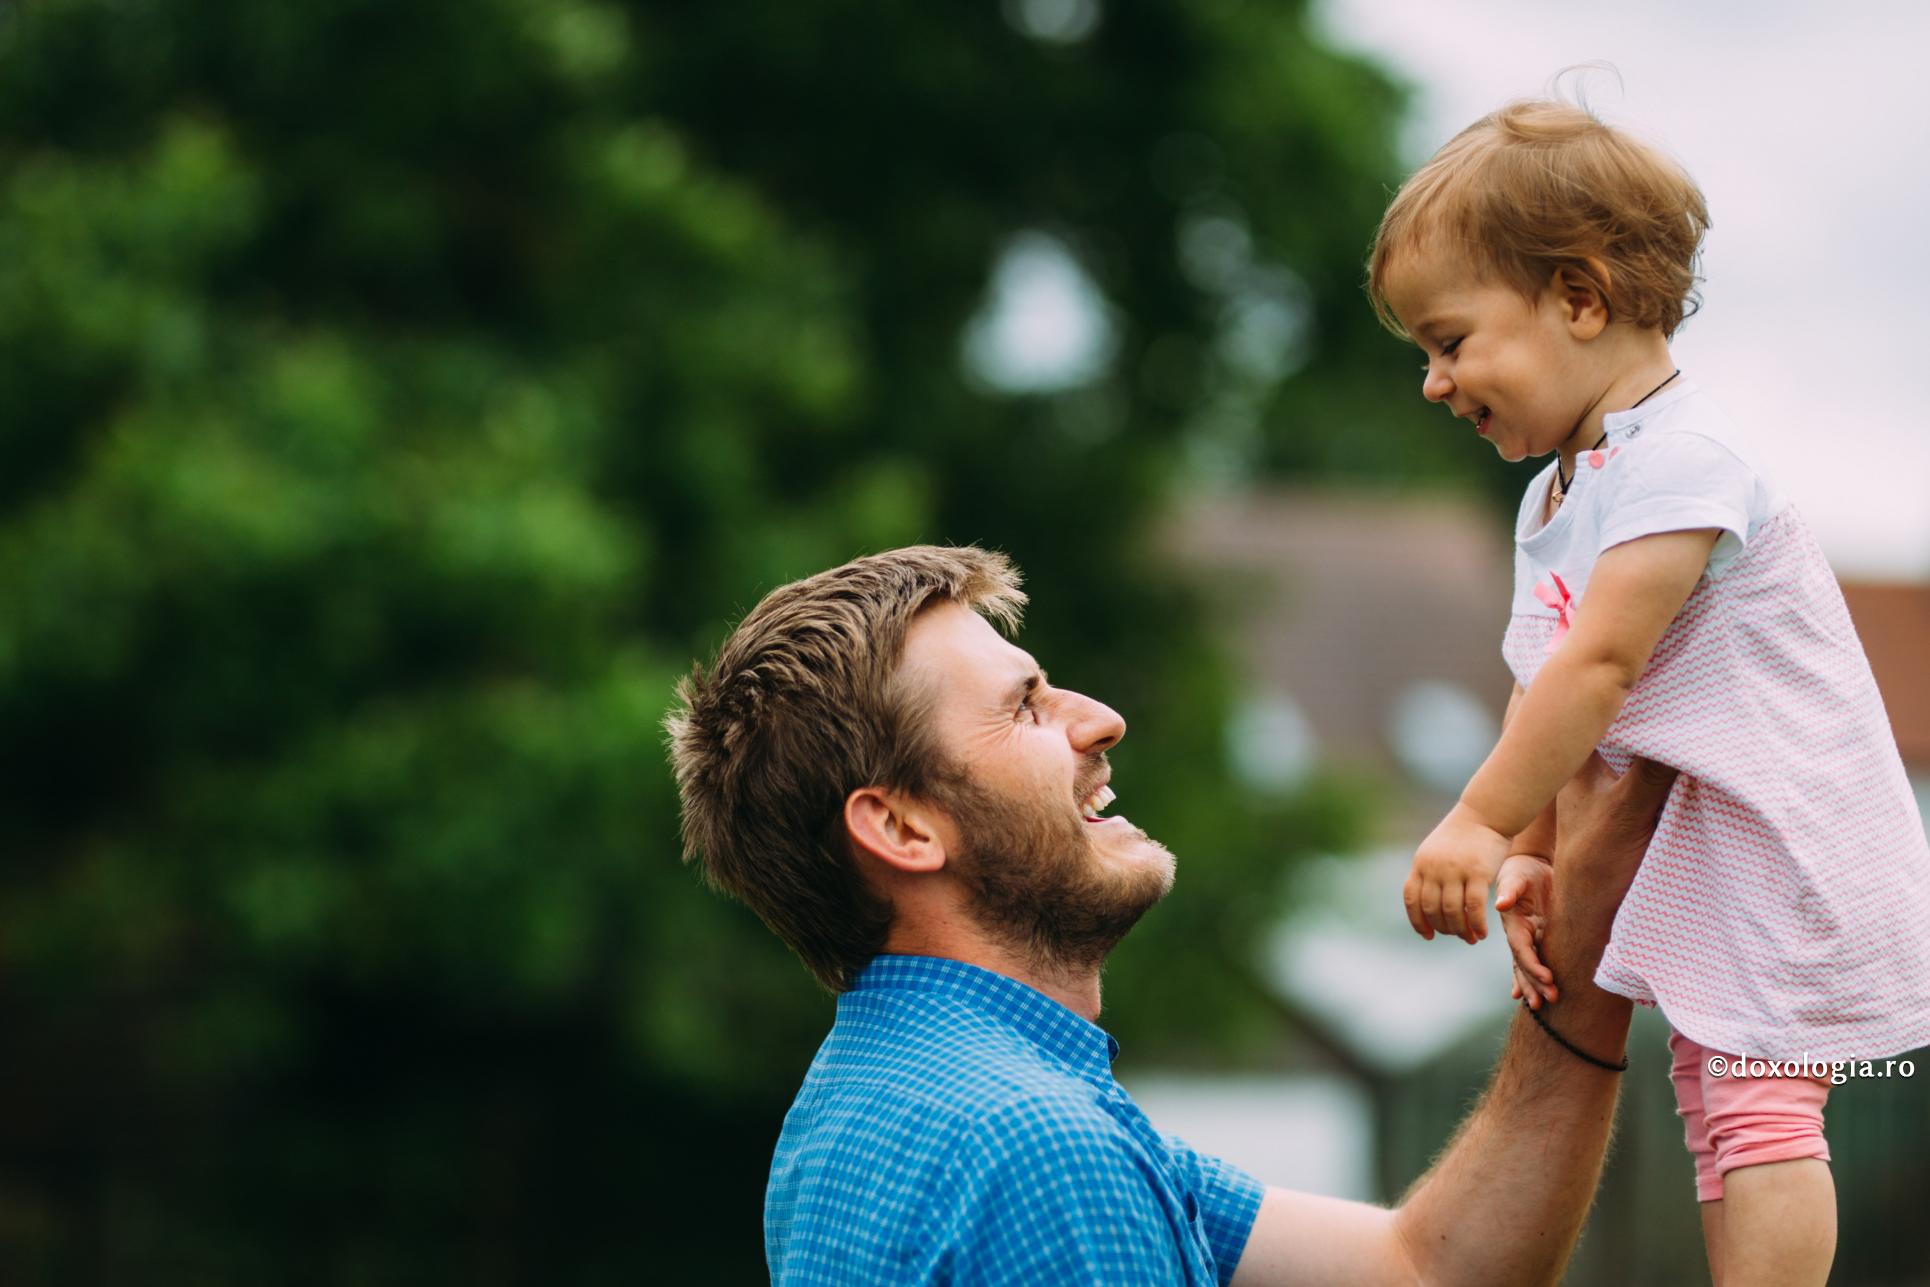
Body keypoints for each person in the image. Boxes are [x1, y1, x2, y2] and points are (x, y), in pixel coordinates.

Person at [666, 543, 1680, 1285]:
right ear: (901, 826)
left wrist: (1585, 934)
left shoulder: (857, 1106)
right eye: (1024, 706)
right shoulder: (1039, 1150)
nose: (1101, 719)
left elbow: (1426, 1269)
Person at [1367, 98, 1930, 1286]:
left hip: (1788, 841)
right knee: (1715, 1100)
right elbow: (1546, 684)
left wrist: (1473, 821)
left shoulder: (1683, 459)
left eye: (1450, 341)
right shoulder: (1562, 494)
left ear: (1579, 299)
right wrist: (1535, 848)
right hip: (1721, 848)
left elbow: (1602, 667)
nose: (1431, 381)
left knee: (1759, 1105)